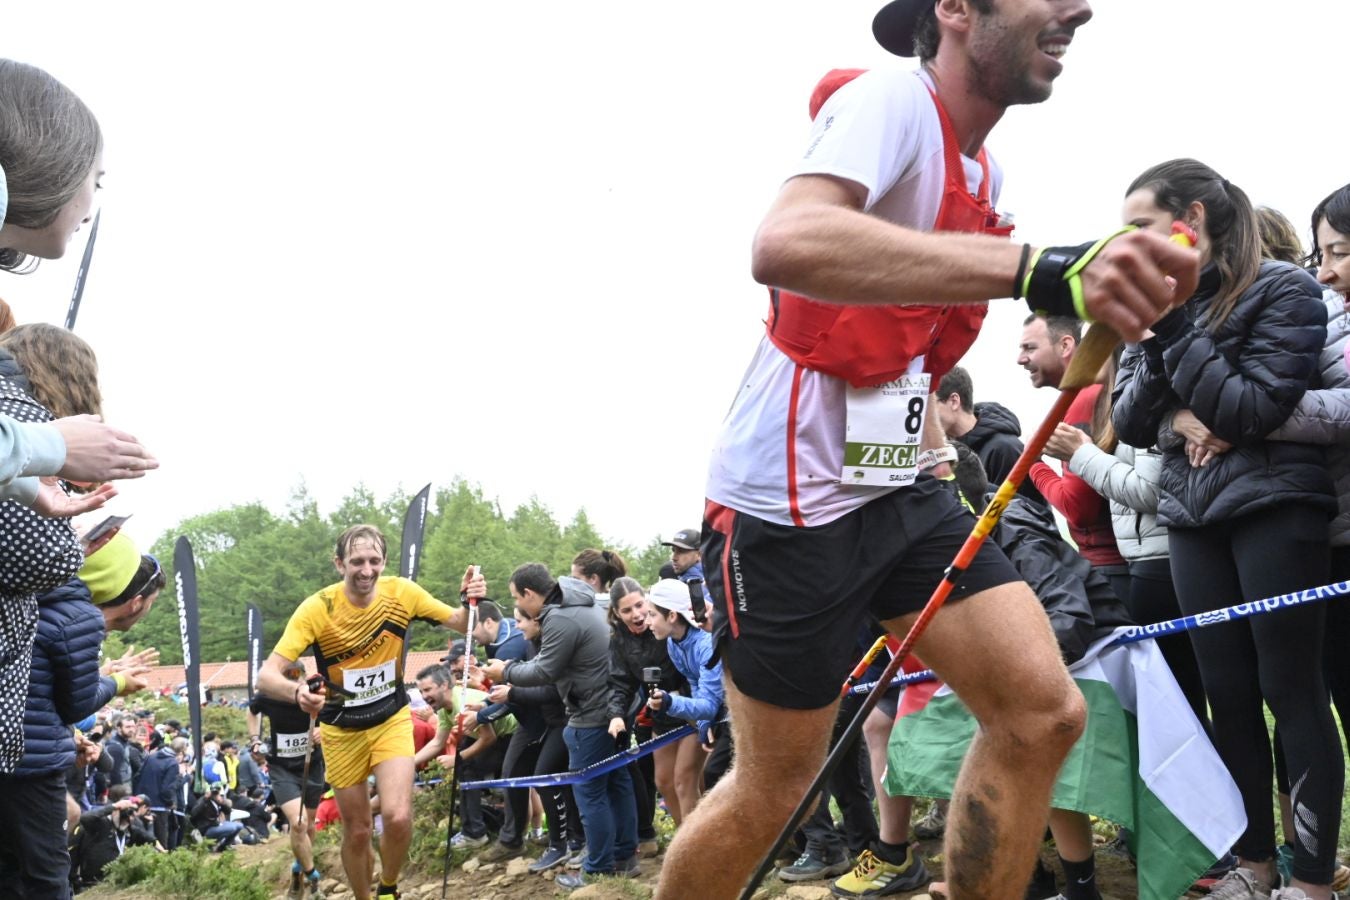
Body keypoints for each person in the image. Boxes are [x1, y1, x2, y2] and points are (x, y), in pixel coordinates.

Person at [680, 0, 1201, 897]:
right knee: (777, 788)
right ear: (956, 9)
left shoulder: (982, 170)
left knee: (1042, 716)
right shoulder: (891, 102)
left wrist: (932, 457)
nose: (1080, 8)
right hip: (788, 507)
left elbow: (907, 348)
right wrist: (1039, 269)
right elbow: (785, 241)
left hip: (899, 493)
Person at [1113, 159, 1340, 900]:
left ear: (1192, 222)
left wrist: (1176, 331)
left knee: (1290, 688)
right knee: (1225, 693)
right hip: (1190, 515)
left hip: (1279, 509)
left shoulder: (1285, 290)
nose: (1131, 246)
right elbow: (1130, 422)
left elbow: (1254, 410)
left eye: (1141, 228)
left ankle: (1308, 880)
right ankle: (1253, 864)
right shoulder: (1156, 309)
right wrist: (1177, 403)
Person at [256, 524, 483, 900]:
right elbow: (266, 676)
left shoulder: (401, 593)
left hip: (390, 719)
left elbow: (464, 623)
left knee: (397, 816)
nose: (366, 570)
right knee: (358, 830)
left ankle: (389, 888)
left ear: (385, 562)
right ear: (339, 564)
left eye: (374, 561)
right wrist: (297, 691)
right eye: (357, 561)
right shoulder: (318, 607)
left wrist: (469, 596)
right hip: (341, 730)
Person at [480, 565, 637, 890]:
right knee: (617, 782)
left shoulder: (559, 618)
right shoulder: (575, 598)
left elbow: (547, 670)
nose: (520, 609)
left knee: (590, 791)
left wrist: (506, 671)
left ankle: (598, 869)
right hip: (612, 705)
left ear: (529, 594)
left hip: (590, 714)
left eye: (517, 599)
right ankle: (625, 856)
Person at [604, 576, 688, 849]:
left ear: (647, 601)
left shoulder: (662, 625)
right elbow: (619, 682)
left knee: (686, 780)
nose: (637, 615)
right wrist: (616, 715)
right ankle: (683, 838)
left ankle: (698, 844)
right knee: (663, 781)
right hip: (659, 715)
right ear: (616, 613)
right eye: (627, 610)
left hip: (690, 709)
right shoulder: (619, 640)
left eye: (640, 605)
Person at [643, 578, 726, 821]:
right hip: (721, 717)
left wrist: (669, 703)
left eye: (652, 614)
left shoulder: (705, 644)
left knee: (715, 777)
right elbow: (695, 685)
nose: (647, 622)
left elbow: (710, 705)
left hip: (739, 714)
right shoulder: (673, 643)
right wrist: (703, 726)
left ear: (671, 616)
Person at [413, 660, 518, 852]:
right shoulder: (445, 708)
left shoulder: (462, 703)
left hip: (510, 734)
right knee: (464, 767)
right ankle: (472, 829)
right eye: (421, 692)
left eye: (428, 690)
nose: (424, 696)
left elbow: (489, 738)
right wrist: (409, 763)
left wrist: (456, 759)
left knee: (467, 768)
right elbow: (437, 742)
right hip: (487, 735)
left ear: (444, 685)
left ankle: (475, 833)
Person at [933, 364, 1045, 506]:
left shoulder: (1005, 449)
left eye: (928, 406)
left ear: (954, 401)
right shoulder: (944, 453)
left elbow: (1031, 517)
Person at [190, 783, 246, 852]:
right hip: (206, 829)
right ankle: (210, 845)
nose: (215, 795)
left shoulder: (217, 801)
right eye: (214, 793)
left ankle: (224, 846)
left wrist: (222, 803)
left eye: (217, 793)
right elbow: (193, 813)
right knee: (232, 828)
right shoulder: (203, 801)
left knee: (239, 825)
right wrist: (205, 799)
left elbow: (228, 812)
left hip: (216, 825)